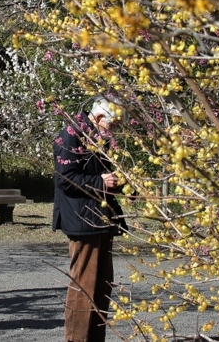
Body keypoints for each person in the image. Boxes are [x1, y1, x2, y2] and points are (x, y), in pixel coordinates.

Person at [53, 98, 126, 342]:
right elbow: (65, 179)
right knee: (84, 287)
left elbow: (102, 174)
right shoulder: (72, 134)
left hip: (99, 217)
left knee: (102, 286)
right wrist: (101, 182)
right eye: (112, 123)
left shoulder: (97, 137)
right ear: (97, 117)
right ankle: (76, 339)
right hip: (82, 219)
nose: (113, 129)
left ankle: (95, 338)